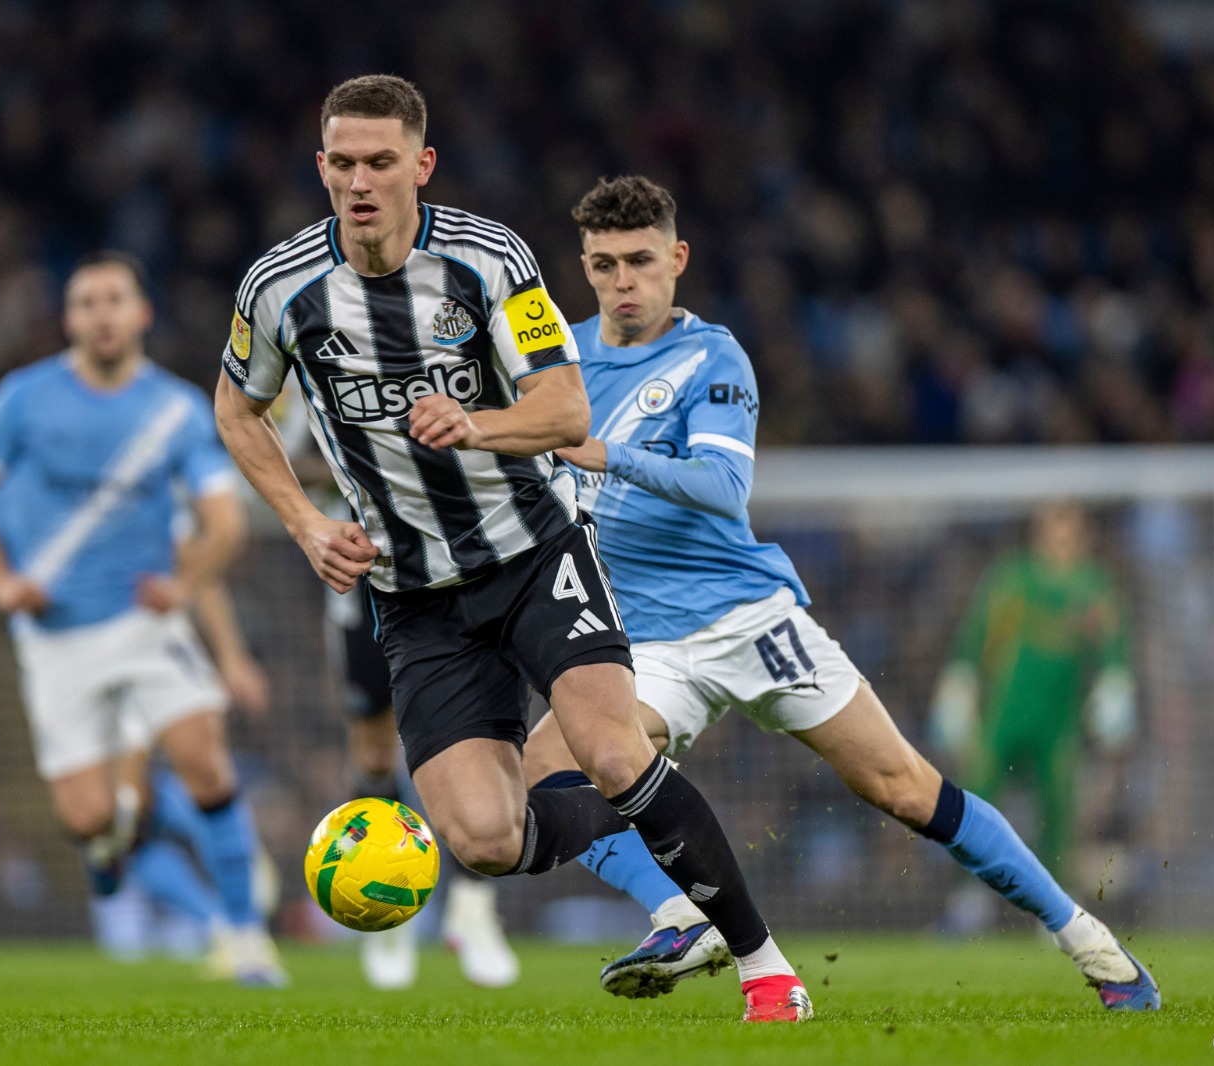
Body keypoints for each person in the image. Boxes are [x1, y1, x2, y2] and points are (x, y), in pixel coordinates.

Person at [214, 75, 810, 1022]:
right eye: (344, 163)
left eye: (381, 162)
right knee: (486, 840)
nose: (361, 182)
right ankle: (658, 819)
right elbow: (237, 410)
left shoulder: (489, 260)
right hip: (414, 597)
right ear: (320, 166)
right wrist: (307, 524)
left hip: (533, 555)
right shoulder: (280, 287)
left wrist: (476, 424)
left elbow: (566, 411)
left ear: (422, 165)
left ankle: (766, 969)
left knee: (610, 750)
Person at [517, 176, 1161, 1012]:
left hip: (749, 623)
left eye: (640, 260)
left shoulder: (713, 358)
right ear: (584, 268)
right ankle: (681, 914)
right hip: (641, 644)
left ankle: (1088, 940)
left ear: (677, 259)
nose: (623, 281)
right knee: (547, 768)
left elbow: (721, 485)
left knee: (905, 787)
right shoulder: (558, 364)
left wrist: (609, 454)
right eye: (605, 265)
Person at [0, 249, 287, 987]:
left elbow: (225, 522)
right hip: (56, 637)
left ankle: (246, 938)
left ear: (141, 313)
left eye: (114, 300)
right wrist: (0, 580)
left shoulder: (177, 410)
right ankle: (108, 844)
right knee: (88, 818)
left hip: (144, 625)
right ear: (68, 319)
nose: (102, 315)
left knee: (204, 757)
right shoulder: (24, 399)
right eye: (86, 302)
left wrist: (183, 584)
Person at [0, 517, 275, 969]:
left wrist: (231, 654)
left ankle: (228, 919)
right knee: (101, 819)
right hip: (60, 661)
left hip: (135, 643)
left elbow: (197, 559)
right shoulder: (9, 482)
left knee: (150, 792)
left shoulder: (138, 481)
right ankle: (213, 875)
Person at [276, 397, 519, 989]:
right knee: (375, 751)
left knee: (480, 739)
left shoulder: (457, 355)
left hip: (467, 563)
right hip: (372, 577)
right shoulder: (319, 372)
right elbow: (282, 457)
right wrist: (362, 462)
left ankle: (472, 908)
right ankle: (385, 905)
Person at [930, 501, 1136, 881]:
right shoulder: (1012, 580)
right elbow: (976, 635)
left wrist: (1115, 684)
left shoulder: (1093, 587)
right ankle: (968, 897)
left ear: (1084, 535)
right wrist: (959, 682)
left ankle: (1056, 904)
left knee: (1060, 814)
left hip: (1058, 723)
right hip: (1003, 715)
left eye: (1069, 531)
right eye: (1052, 529)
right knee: (977, 800)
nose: (1060, 540)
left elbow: (1113, 644)